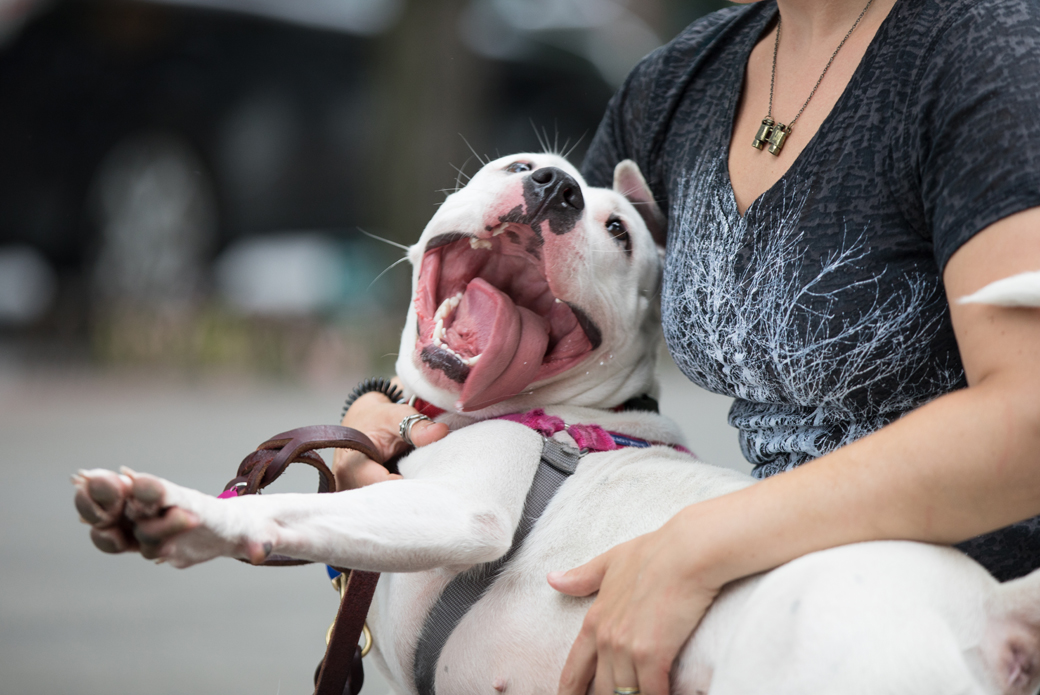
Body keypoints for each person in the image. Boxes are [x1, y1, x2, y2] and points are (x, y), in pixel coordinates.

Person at [336, 0, 1040, 692]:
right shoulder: (681, 83)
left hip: (960, 630)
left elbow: (1028, 421)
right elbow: (538, 316)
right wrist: (377, 416)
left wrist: (701, 545)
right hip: (759, 613)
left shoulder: (986, 48)